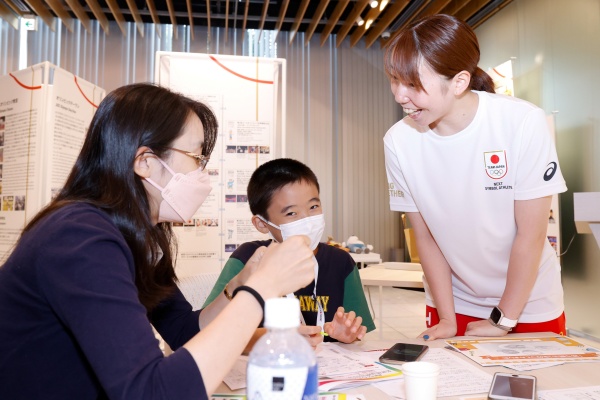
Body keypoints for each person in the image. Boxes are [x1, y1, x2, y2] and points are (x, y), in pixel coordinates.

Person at [0, 83, 316, 399]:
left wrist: (240, 284)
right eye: (196, 156)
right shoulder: (79, 237)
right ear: (145, 162)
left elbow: (183, 332)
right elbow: (150, 392)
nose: (203, 173)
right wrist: (262, 288)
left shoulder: (135, 237)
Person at [383, 14, 568, 340]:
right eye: (395, 80)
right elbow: (425, 238)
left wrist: (503, 320)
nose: (400, 95)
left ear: (458, 82)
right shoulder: (398, 141)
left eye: (412, 84)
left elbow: (531, 235)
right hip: (452, 300)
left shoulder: (522, 123)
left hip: (528, 301)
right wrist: (447, 318)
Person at [204, 158, 376, 347]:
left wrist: (347, 335)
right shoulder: (247, 259)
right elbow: (209, 330)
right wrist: (274, 338)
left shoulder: (341, 262)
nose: (307, 219)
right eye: (291, 213)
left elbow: (357, 333)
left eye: (313, 207)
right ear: (262, 224)